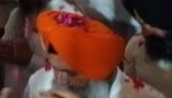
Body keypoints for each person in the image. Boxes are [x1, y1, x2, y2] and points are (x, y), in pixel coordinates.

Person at [25, 10, 164, 97]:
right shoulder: (39, 81)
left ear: (100, 69)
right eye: (54, 67)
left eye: (72, 73)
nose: (60, 79)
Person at [0, 0, 76, 97]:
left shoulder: (65, 19)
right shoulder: (19, 12)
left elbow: (71, 73)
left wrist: (30, 59)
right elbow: (8, 47)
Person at [120, 0, 172, 96]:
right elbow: (129, 79)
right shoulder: (136, 45)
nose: (146, 29)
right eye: (142, 23)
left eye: (154, 25)